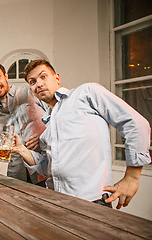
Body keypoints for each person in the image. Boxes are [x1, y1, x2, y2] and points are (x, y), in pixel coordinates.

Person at [13, 59, 151, 208]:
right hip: (57, 201)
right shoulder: (49, 125)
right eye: (32, 82)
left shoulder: (86, 93)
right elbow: (49, 167)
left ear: (57, 78)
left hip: (92, 202)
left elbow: (136, 124)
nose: (38, 84)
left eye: (43, 76)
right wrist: (22, 150)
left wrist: (132, 177)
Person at [0, 61, 47, 182]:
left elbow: (56, 114)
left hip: (44, 169)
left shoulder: (29, 91)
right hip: (16, 175)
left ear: (6, 76)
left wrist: (44, 134)